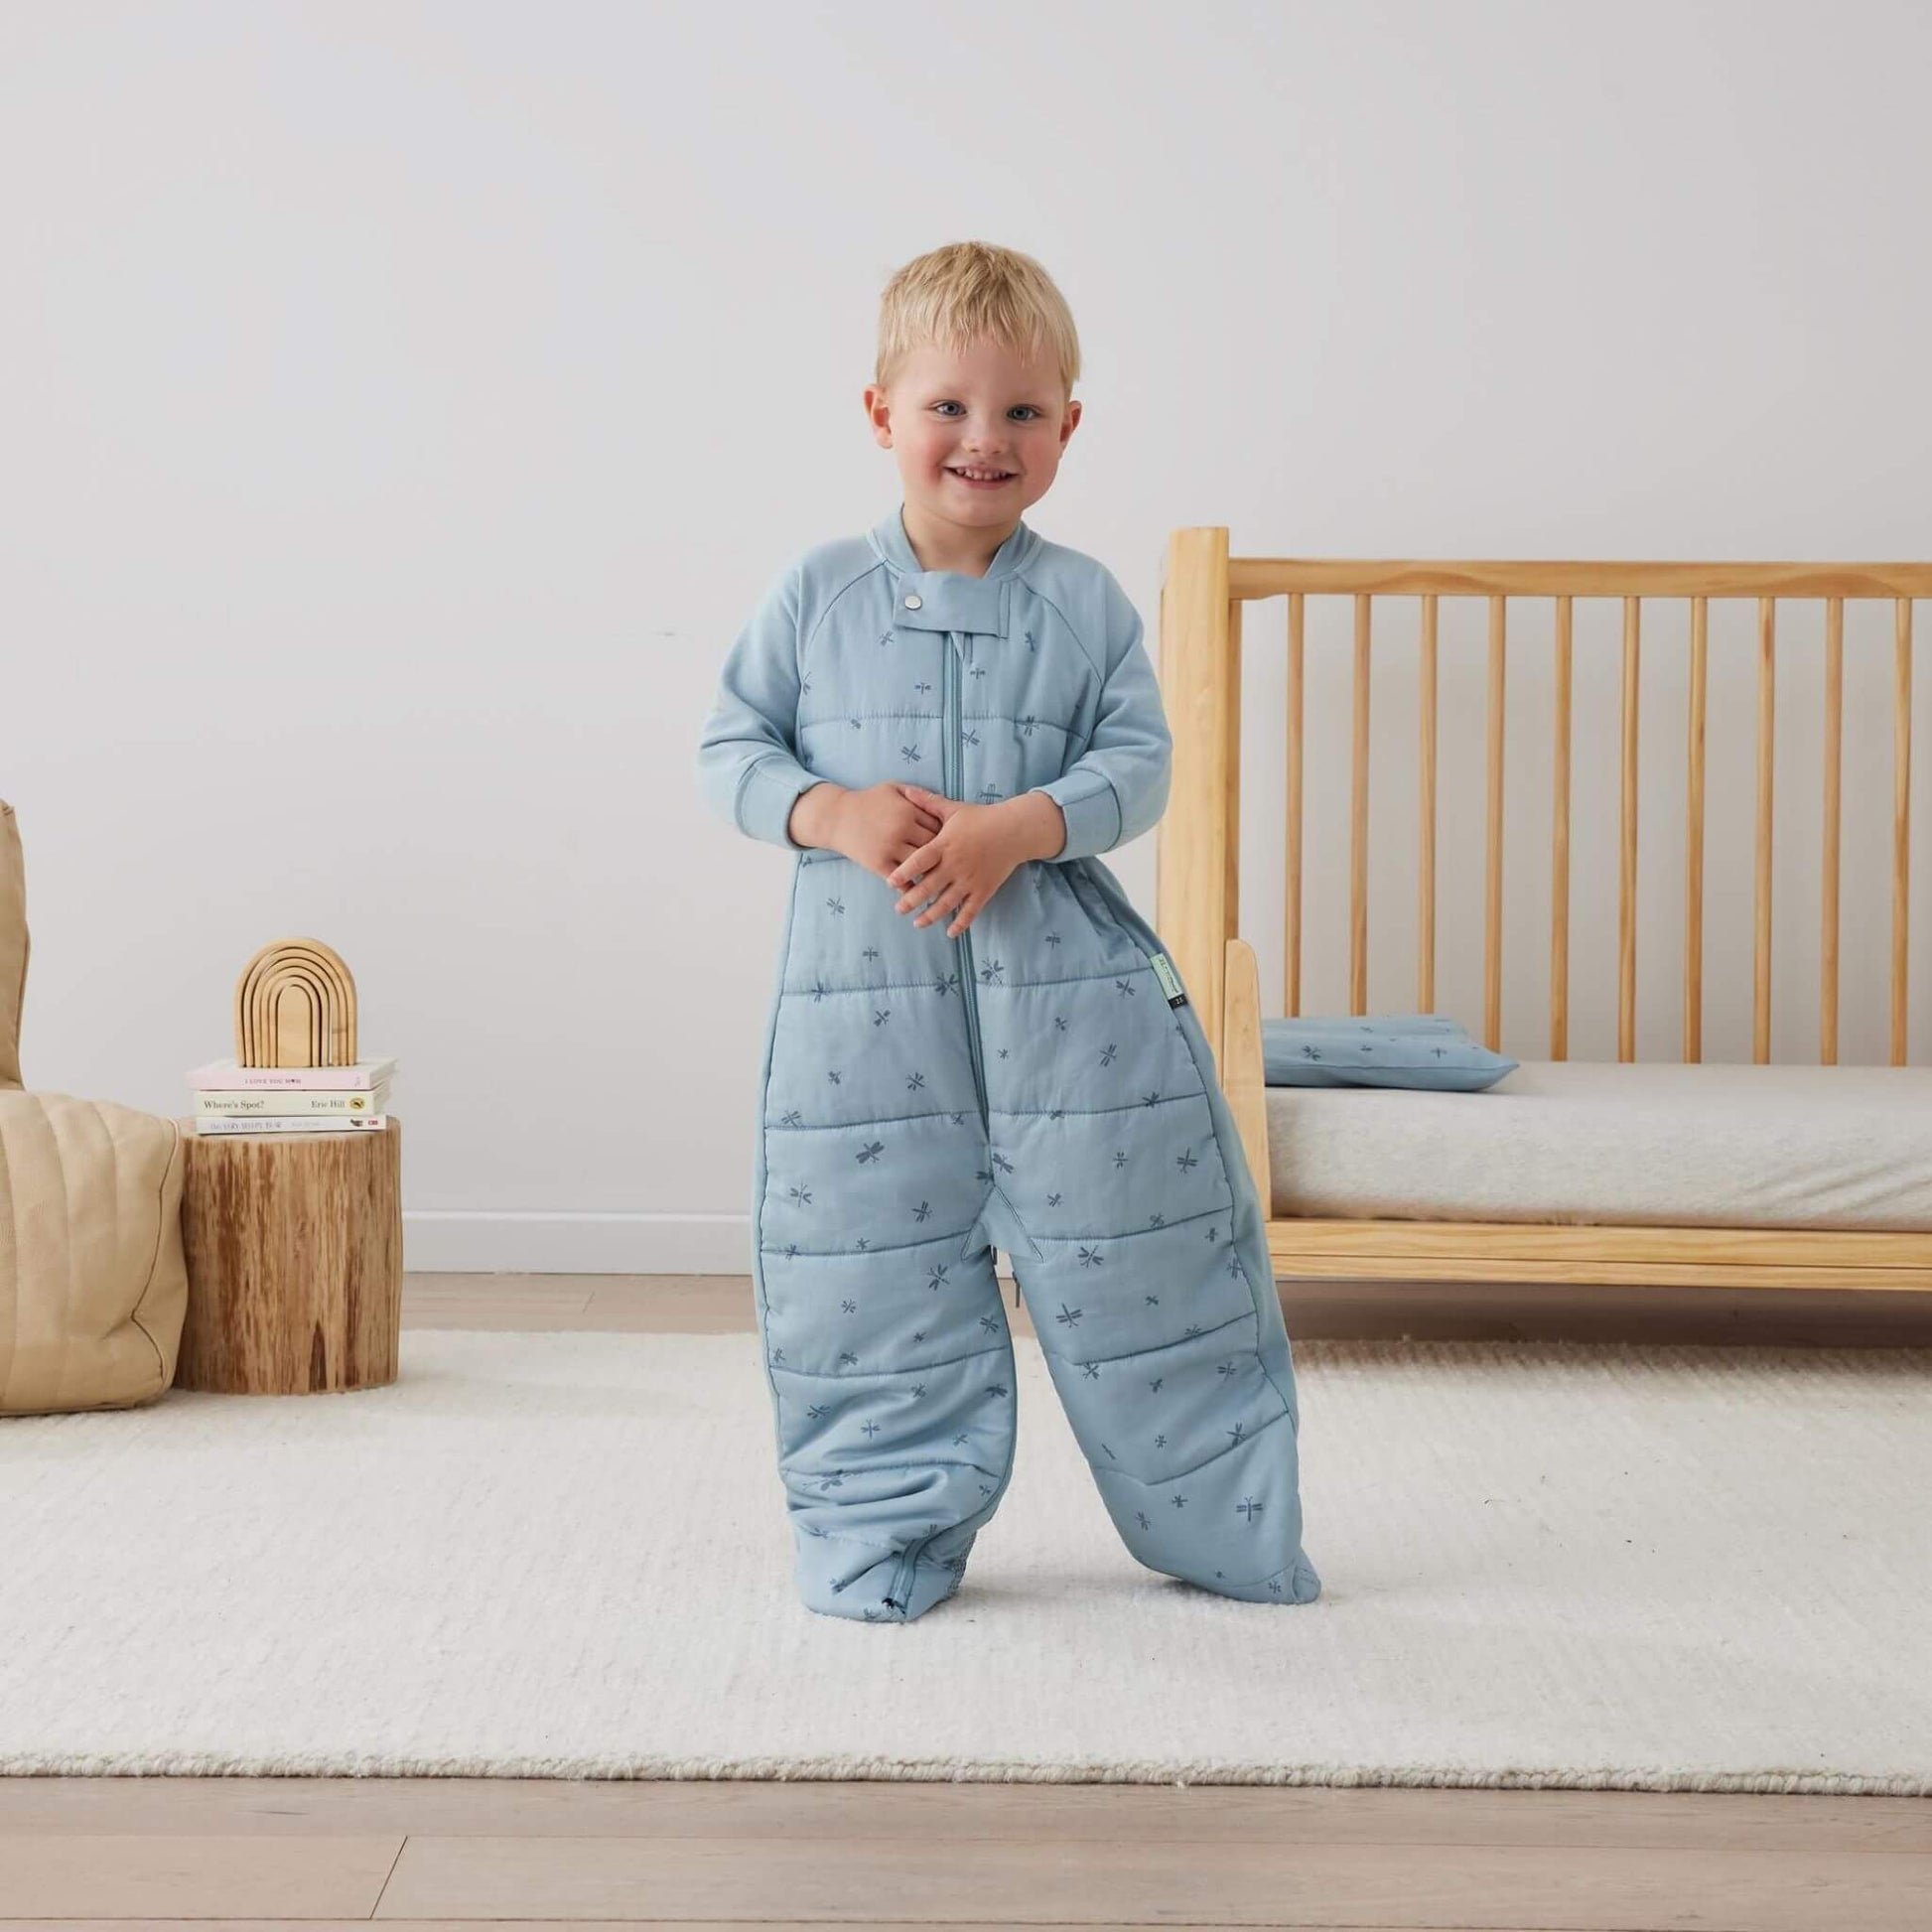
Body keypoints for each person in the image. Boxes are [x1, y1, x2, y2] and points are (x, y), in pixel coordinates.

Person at [695, 240, 1320, 1622]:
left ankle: (1227, 1534)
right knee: (864, 1292)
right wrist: (829, 812)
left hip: (1070, 1021)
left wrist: (1018, 825)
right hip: (862, 1034)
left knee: (1153, 1275)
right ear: (880, 415)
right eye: (948, 408)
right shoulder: (816, 597)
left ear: (1067, 428)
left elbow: (1139, 766)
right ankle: (878, 1545)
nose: (984, 441)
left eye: (1022, 412)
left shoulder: (1082, 602)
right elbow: (725, 747)